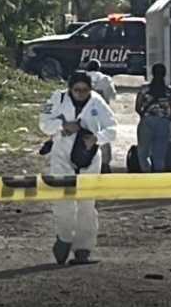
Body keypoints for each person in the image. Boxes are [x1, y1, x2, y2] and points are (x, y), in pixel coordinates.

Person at [38, 72, 118, 265]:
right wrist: (62, 125)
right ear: (69, 89)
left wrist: (97, 138)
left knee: (87, 204)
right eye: (77, 90)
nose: (81, 94)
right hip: (62, 155)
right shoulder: (57, 98)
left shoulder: (97, 102)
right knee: (63, 200)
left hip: (88, 158)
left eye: (85, 90)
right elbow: (43, 124)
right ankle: (64, 238)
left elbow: (113, 128)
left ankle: (83, 248)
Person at [134, 63, 171, 172]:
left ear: (152, 73)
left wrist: (144, 116)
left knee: (143, 152)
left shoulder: (144, 89)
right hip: (163, 122)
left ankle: (146, 173)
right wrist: (167, 119)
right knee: (160, 154)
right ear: (165, 74)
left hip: (147, 121)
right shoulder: (169, 91)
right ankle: (158, 176)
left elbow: (137, 106)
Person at [83, 59, 117, 172]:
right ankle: (105, 164)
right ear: (99, 68)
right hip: (101, 113)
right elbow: (112, 95)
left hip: (84, 113)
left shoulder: (81, 78)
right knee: (103, 138)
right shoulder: (106, 79)